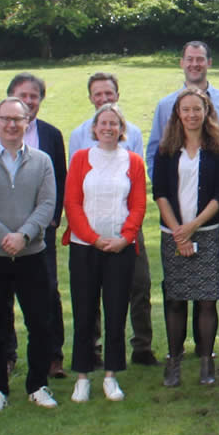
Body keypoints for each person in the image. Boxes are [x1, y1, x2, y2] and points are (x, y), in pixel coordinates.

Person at [0, 97, 60, 413]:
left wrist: (23, 235)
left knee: (40, 322)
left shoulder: (42, 161)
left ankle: (37, 385)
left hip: (31, 254)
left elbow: (47, 204)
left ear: (27, 123)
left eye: (18, 120)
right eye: (5, 119)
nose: (11, 125)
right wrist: (3, 236)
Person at [0, 73, 68, 379]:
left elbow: (59, 179)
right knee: (0, 300)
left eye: (34, 97)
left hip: (39, 233)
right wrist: (2, 233)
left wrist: (49, 218)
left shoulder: (51, 135)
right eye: (23, 96)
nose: (29, 102)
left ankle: (52, 356)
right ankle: (6, 356)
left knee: (47, 294)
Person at [67, 72, 158, 368]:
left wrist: (127, 232)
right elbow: (74, 191)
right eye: (98, 94)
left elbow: (136, 184)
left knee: (139, 284)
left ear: (117, 95)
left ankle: (142, 346)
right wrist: (91, 235)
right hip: (88, 229)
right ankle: (92, 349)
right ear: (91, 98)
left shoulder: (132, 133)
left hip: (126, 224)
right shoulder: (78, 136)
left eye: (109, 93)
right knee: (89, 291)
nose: (104, 98)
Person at [63, 104, 147, 403]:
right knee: (85, 312)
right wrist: (94, 239)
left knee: (116, 312)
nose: (108, 128)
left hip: (120, 251)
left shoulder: (133, 161)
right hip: (85, 249)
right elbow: (72, 204)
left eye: (114, 123)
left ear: (121, 128)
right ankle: (82, 377)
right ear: (94, 128)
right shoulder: (81, 159)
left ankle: (111, 375)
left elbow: (138, 206)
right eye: (103, 123)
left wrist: (124, 239)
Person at [152, 88, 219, 387]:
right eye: (185, 110)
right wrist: (179, 232)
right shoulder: (165, 150)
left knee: (207, 300)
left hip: (207, 233)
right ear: (177, 113)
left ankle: (205, 362)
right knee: (175, 300)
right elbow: (159, 192)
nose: (191, 115)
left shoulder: (218, 150)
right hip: (172, 235)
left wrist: (194, 226)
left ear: (206, 112)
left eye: (196, 109)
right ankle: (173, 362)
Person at [147, 40, 219, 187]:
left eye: (200, 59)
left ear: (209, 63)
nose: (194, 64)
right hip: (173, 196)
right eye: (190, 59)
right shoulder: (165, 106)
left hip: (216, 196)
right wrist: (163, 191)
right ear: (182, 63)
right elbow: (153, 153)